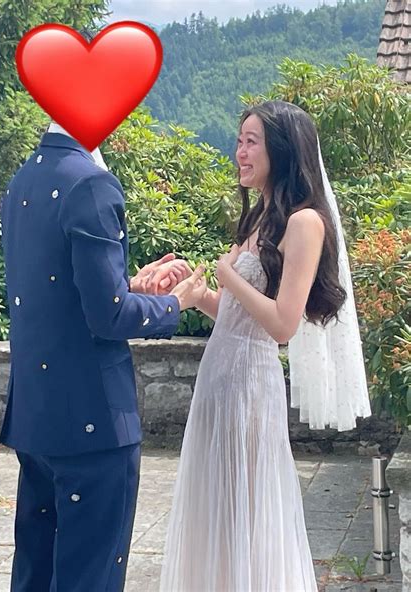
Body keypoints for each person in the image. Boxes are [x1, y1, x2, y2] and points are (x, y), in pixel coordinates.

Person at [159, 100, 371, 591]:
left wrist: (228, 274)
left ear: (281, 149)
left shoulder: (305, 222)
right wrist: (197, 295)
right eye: (239, 141)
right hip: (218, 378)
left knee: (249, 514)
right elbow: (236, 316)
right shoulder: (259, 218)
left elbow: (281, 325)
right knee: (217, 511)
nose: (240, 152)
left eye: (251, 142)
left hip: (252, 386)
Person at [0, 119, 207, 592]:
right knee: (89, 578)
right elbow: (110, 318)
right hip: (92, 421)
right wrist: (176, 303)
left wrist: (129, 286)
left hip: (38, 418)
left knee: (35, 573)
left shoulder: (25, 177)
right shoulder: (91, 183)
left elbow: (57, 297)